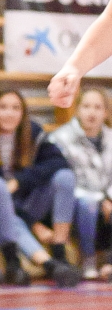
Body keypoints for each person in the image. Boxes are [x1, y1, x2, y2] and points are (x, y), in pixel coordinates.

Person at [0, 88, 80, 288]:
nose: (9, 113)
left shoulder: (33, 132)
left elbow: (59, 162)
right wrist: (34, 224)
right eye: (3, 107)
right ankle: (33, 263)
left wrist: (19, 181)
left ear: (23, 112)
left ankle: (59, 251)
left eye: (15, 108)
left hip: (28, 202)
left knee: (65, 177)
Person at [48, 86, 112, 279]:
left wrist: (109, 197)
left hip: (106, 200)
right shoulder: (59, 139)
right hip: (75, 203)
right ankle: (88, 259)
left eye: (98, 107)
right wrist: (101, 199)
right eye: (86, 106)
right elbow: (64, 182)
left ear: (106, 112)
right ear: (76, 109)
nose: (92, 112)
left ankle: (109, 262)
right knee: (88, 204)